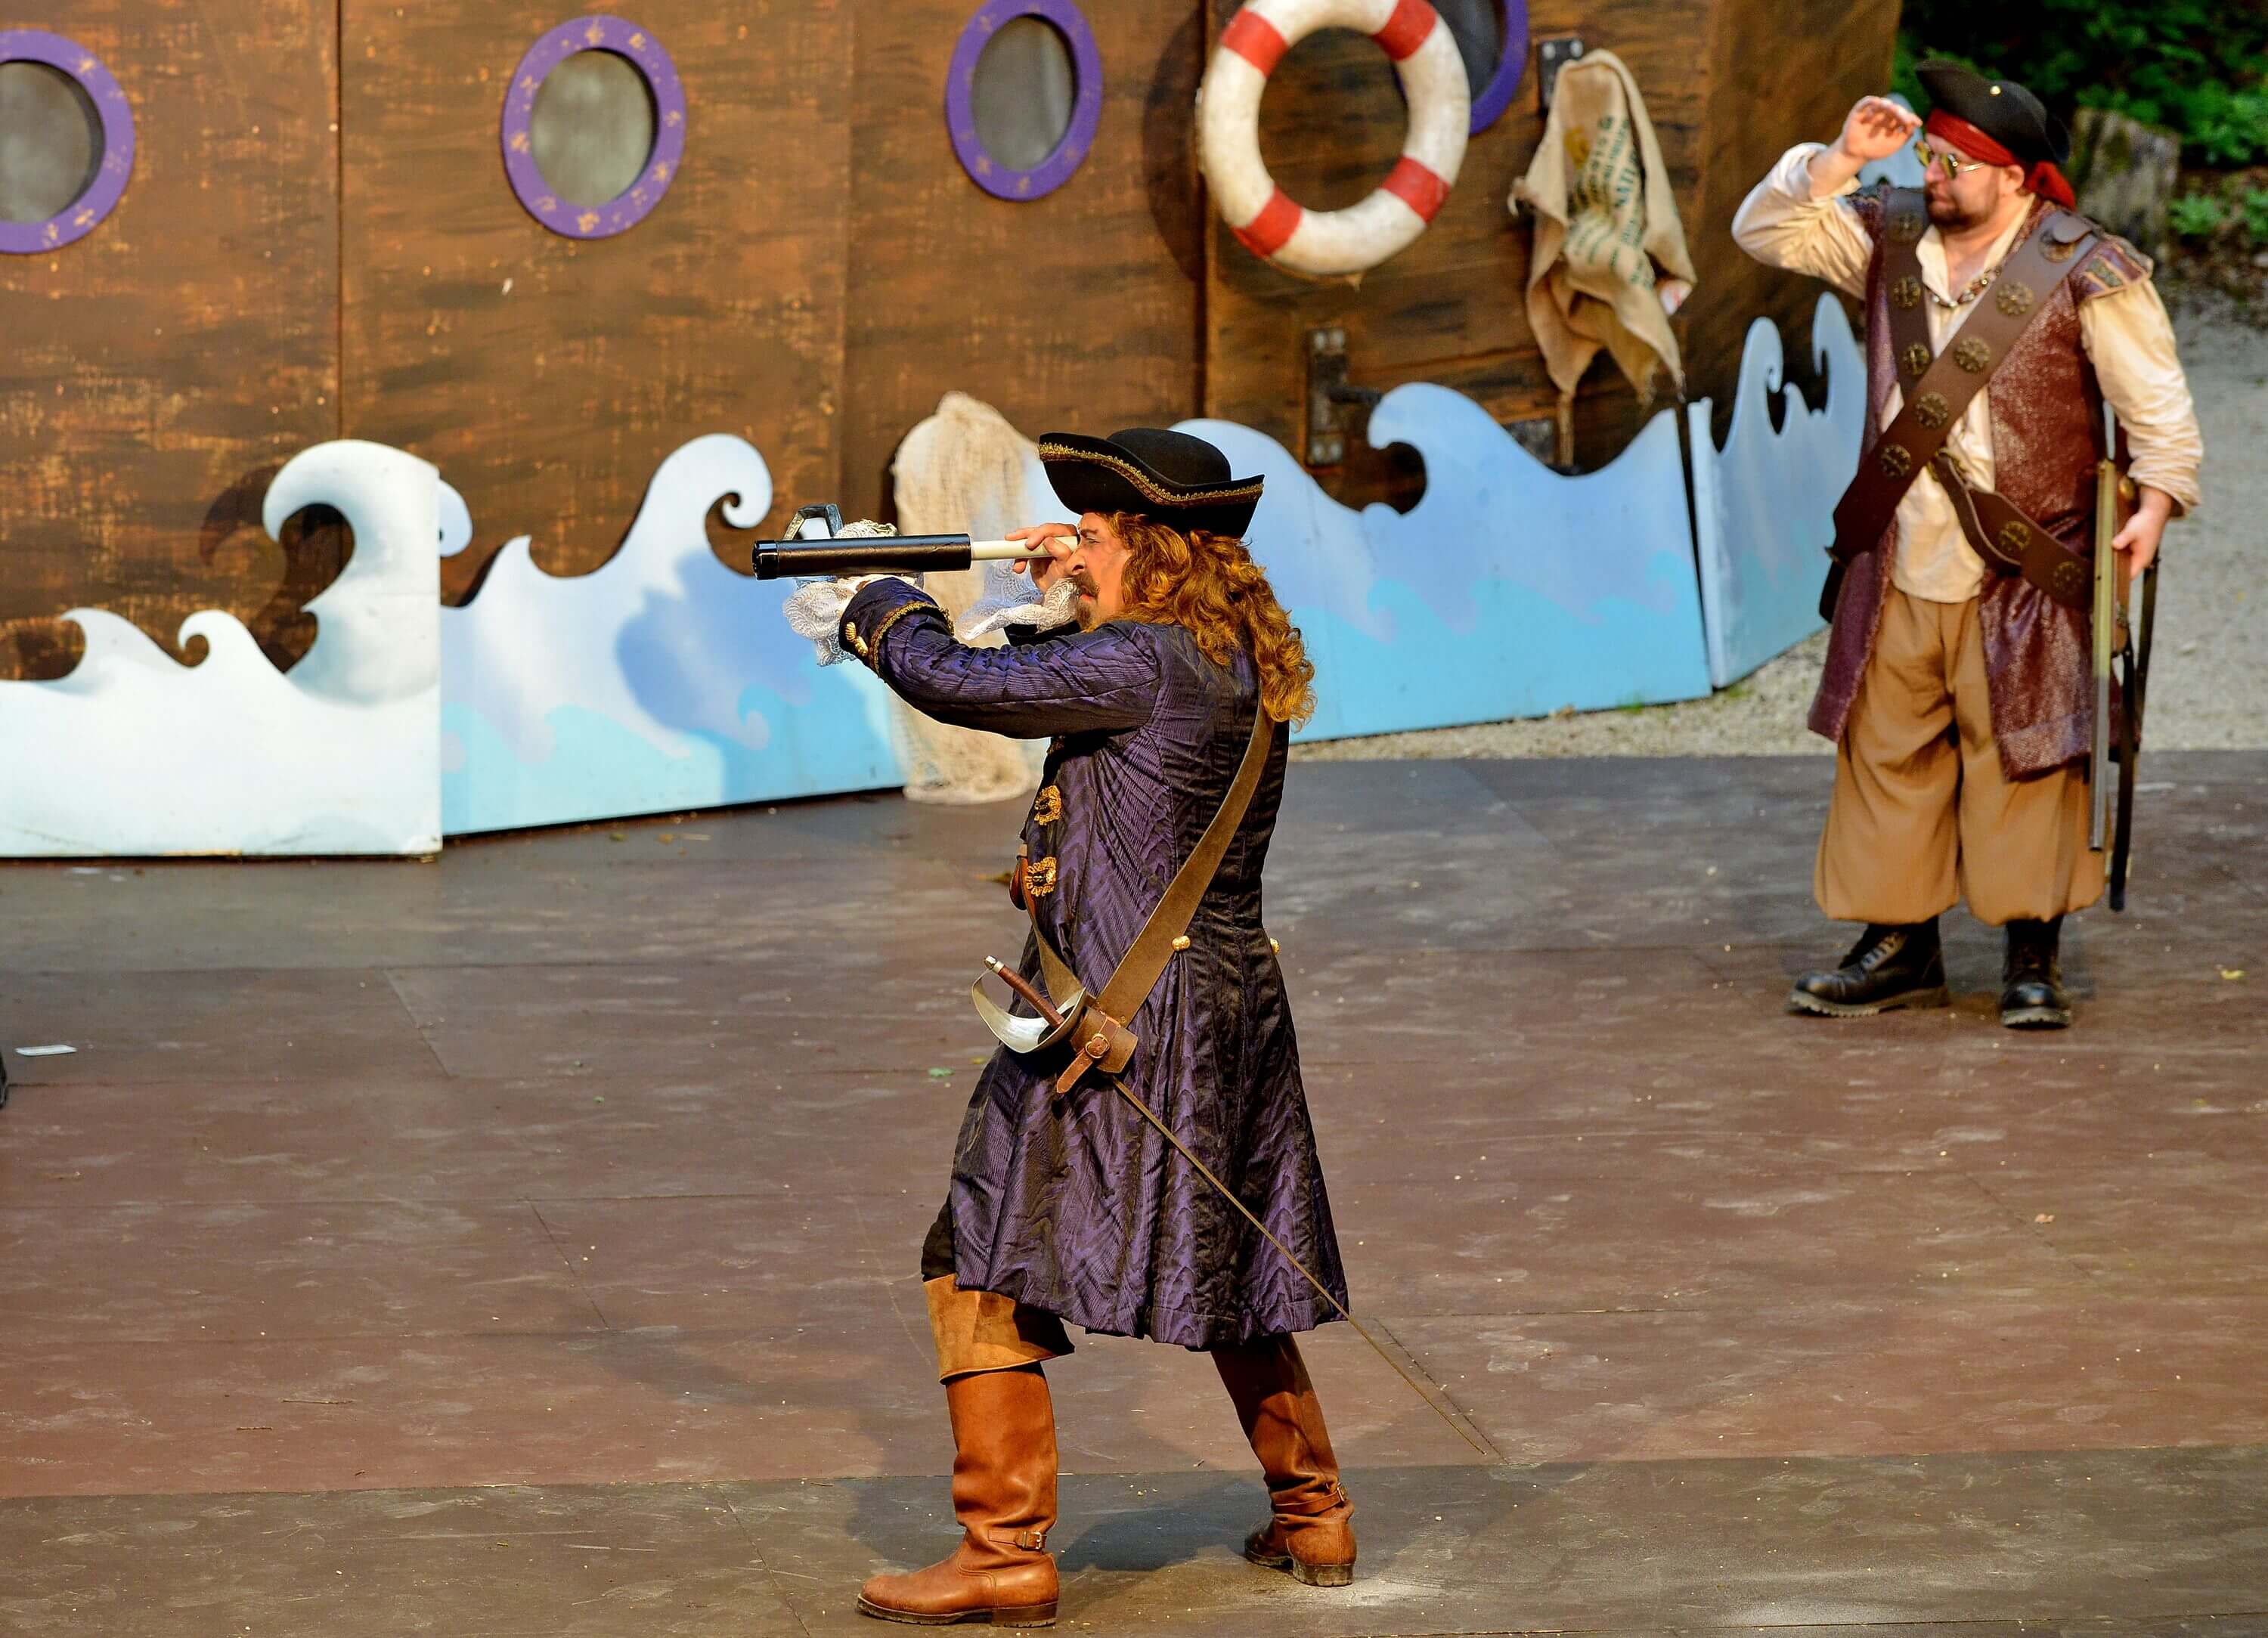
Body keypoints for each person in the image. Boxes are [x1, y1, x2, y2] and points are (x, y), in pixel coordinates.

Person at [806, 428, 1354, 1627]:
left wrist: (878, 598)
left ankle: (1002, 1550)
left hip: (1121, 1019)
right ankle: (1315, 1509)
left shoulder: (1144, 658)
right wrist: (1059, 594)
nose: (1071, 546)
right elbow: (1073, 694)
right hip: (1224, 1010)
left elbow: (959, 684)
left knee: (974, 1248)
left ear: (1152, 548)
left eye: (1094, 534)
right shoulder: (1216, 651)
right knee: (1232, 1249)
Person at [1734, 62, 2202, 1029]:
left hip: (2029, 567)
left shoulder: (2086, 265)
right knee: (1886, 750)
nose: (1933, 175)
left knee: (2028, 754)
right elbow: (1764, 231)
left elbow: (2156, 404)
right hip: (1898, 555)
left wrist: (2155, 504)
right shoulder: (1887, 232)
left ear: (2017, 177)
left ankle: (2032, 952)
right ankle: (1900, 946)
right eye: (1931, 156)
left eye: (1957, 163)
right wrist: (1839, 159)